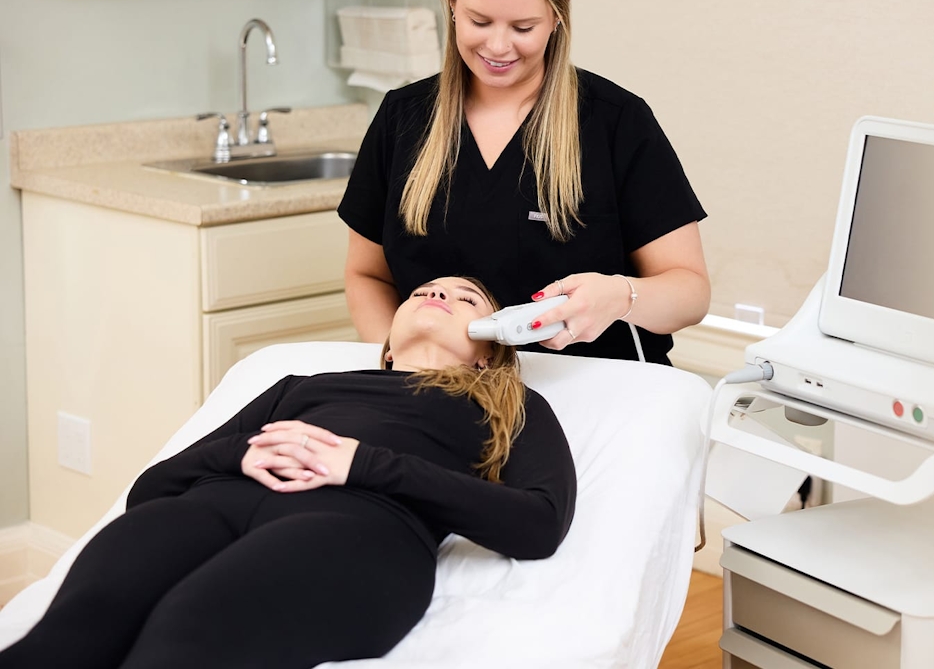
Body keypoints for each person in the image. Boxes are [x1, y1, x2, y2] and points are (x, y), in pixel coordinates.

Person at [0, 277, 576, 669]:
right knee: (69, 635)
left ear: (488, 350)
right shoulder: (302, 385)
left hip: (357, 530)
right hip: (213, 504)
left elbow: (539, 523)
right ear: (388, 340)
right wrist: (236, 455)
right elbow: (152, 489)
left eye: (465, 298)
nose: (438, 293)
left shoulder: (507, 404)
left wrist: (363, 463)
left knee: (185, 636)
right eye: (426, 289)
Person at [338, 0, 711, 364]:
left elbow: (690, 293)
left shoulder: (616, 122)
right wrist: (396, 369)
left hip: (589, 389)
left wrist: (620, 296)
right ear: (452, 2)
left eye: (523, 28)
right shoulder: (404, 117)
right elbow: (367, 276)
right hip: (442, 397)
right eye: (479, 22)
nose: (497, 47)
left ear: (558, 15)